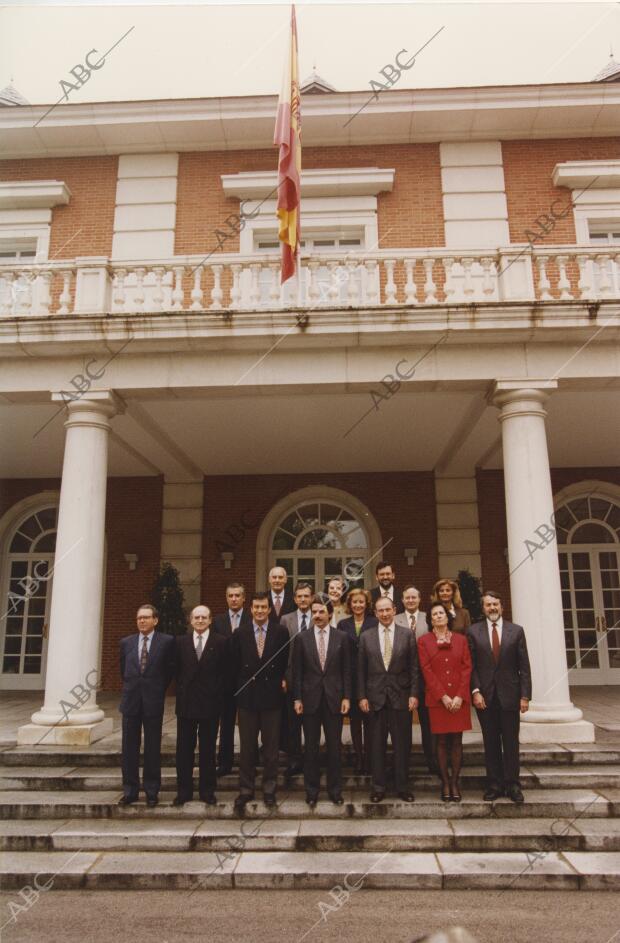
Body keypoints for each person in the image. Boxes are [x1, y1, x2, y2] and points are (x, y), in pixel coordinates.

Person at [468, 590, 532, 803]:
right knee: (491, 742)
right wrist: (475, 691)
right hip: (485, 698)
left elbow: (524, 666)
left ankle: (513, 784)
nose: (492, 608)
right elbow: (471, 666)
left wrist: (525, 696)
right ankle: (494, 784)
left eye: (495, 604)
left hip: (510, 696)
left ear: (501, 607)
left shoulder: (516, 631)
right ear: (483, 608)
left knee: (511, 742)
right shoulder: (473, 632)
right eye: (488, 605)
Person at [232, 592, 289, 813]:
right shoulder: (241, 633)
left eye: (263, 607)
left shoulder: (281, 631)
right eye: (255, 607)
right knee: (247, 747)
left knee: (271, 749)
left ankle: (269, 789)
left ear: (269, 609)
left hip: (271, 697)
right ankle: (246, 790)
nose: (259, 611)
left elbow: (284, 661)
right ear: (251, 609)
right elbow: (235, 664)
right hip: (247, 698)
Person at [358, 597, 418, 802]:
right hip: (374, 698)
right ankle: (378, 787)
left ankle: (402, 787)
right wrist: (362, 696)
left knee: (402, 745)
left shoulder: (408, 634)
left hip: (400, 697)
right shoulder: (366, 637)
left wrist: (414, 694)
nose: (384, 614)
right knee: (376, 746)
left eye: (387, 610)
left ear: (394, 610)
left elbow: (414, 668)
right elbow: (360, 671)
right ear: (375, 613)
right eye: (380, 611)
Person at [293, 596, 351, 806]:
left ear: (329, 613)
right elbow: (297, 671)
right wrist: (297, 698)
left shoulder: (342, 637)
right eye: (314, 612)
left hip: (334, 699)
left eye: (320, 612)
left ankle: (335, 790)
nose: (317, 615)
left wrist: (346, 697)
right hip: (309, 699)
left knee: (334, 747)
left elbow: (347, 670)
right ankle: (312, 791)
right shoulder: (301, 638)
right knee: (310, 747)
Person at [118, 604, 175, 807]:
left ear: (155, 620)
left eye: (146, 617)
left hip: (153, 700)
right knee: (129, 747)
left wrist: (158, 689)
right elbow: (123, 670)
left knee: (152, 747)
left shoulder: (166, 642)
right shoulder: (126, 643)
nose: (142, 621)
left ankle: (152, 790)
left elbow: (169, 670)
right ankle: (130, 791)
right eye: (139, 618)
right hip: (130, 701)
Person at [417, 602, 472, 802]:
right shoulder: (424, 641)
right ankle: (445, 782)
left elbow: (467, 668)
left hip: (459, 698)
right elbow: (426, 670)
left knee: (457, 741)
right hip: (437, 699)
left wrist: (459, 695)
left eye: (441, 613)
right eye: (434, 614)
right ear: (430, 620)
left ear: (447, 617)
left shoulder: (461, 640)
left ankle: (455, 781)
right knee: (440, 742)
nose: (438, 616)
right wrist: (443, 696)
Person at [173, 605, 228, 806]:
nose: (200, 621)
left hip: (210, 704)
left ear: (210, 620)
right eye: (196, 617)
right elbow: (176, 671)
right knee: (184, 750)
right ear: (190, 620)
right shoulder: (180, 642)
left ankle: (207, 791)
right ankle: (184, 791)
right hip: (186, 704)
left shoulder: (221, 642)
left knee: (207, 750)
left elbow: (225, 672)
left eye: (204, 617)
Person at [395, 585, 437, 775]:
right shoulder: (395, 619)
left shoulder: (428, 619)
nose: (411, 601)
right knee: (403, 725)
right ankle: (405, 763)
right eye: (407, 598)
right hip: (402, 680)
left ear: (420, 600)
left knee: (428, 724)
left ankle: (433, 762)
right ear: (402, 600)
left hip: (425, 680)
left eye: (414, 597)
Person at [212, 581, 252, 777]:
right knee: (226, 723)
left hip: (246, 679)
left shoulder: (252, 618)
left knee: (249, 725)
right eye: (231, 596)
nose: (234, 599)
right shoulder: (218, 622)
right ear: (226, 598)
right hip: (225, 681)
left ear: (244, 598)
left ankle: (250, 762)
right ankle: (224, 763)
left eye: (238, 595)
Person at [338, 588, 377, 773]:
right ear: (349, 604)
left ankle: (370, 758)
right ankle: (359, 757)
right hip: (351, 679)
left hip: (371, 678)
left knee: (370, 721)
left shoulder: (374, 622)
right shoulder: (342, 624)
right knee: (354, 721)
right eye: (354, 602)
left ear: (366, 603)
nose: (358, 605)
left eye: (361, 602)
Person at [280, 581, 314, 777]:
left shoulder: (319, 615)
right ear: (294, 599)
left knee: (311, 723)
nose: (303, 599)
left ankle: (311, 759)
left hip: (314, 680)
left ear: (311, 598)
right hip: (292, 678)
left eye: (306, 596)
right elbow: (281, 651)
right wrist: (283, 677)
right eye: (299, 596)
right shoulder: (286, 619)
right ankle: (294, 760)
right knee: (293, 723)